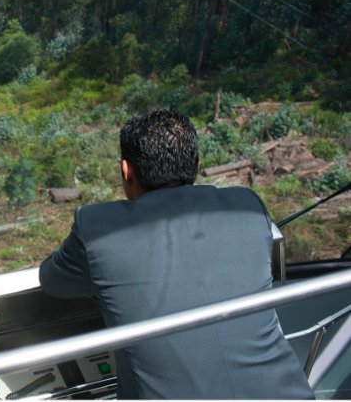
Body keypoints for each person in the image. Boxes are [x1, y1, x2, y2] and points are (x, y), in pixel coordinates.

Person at [39, 109, 314, 400]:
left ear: (126, 171)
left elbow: (52, 280)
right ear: (196, 164)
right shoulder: (246, 204)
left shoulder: (97, 228)